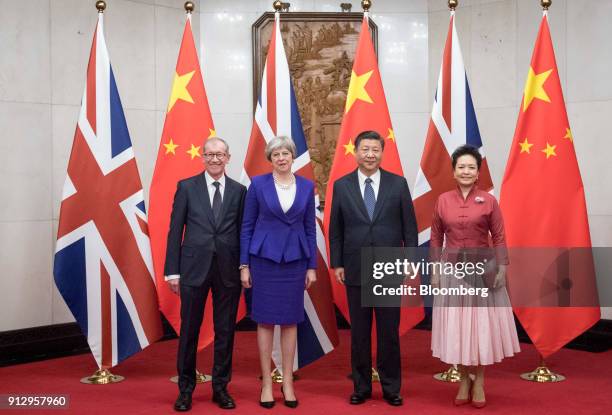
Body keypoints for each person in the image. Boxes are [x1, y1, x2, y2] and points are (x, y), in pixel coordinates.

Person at [329, 130, 418, 406]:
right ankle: (361, 386)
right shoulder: (342, 186)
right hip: (355, 266)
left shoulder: (398, 184)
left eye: (375, 150)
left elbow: (410, 228)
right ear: (355, 152)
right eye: (365, 149)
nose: (370, 154)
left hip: (389, 267)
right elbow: (335, 229)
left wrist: (409, 261)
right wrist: (338, 263)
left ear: (382, 152)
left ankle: (391, 388)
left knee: (388, 332)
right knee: (359, 333)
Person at [430, 145, 520, 409]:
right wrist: (435, 271)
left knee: (480, 326)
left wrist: (503, 267)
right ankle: (464, 379)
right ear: (454, 171)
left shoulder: (489, 201)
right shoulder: (442, 200)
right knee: (459, 325)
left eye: (471, 167)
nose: (466, 171)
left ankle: (479, 379)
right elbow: (436, 237)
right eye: (461, 167)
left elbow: (500, 235)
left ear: (478, 172)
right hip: (452, 272)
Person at [164, 137, 247, 412]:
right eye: (209, 155)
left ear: (228, 158)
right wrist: (172, 271)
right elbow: (175, 231)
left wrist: (244, 265)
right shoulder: (187, 187)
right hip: (192, 269)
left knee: (225, 331)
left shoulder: (239, 191)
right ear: (202, 157)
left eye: (220, 155)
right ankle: (185, 389)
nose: (214, 159)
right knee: (189, 330)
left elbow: (242, 232)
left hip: (228, 270)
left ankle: (220, 388)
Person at [239, 136, 317, 409]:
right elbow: (247, 226)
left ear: (292, 156)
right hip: (264, 261)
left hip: (295, 261)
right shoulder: (258, 185)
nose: (281, 158)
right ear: (269, 159)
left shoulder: (307, 186)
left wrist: (312, 266)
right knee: (265, 321)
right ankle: (267, 384)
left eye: (285, 153)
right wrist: (244, 265)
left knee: (290, 321)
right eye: (276, 154)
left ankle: (287, 382)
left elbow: (310, 228)